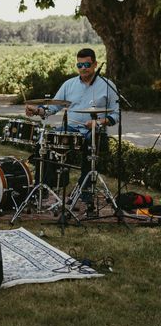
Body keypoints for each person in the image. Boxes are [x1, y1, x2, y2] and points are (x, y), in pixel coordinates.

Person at [25, 48, 119, 211]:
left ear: (95, 64)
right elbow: (52, 108)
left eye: (87, 64)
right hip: (71, 129)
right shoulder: (69, 85)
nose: (83, 68)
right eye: (79, 65)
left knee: (92, 143)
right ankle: (44, 188)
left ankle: (85, 190)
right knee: (45, 141)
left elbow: (117, 114)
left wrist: (99, 122)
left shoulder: (107, 85)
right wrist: (37, 110)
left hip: (94, 132)